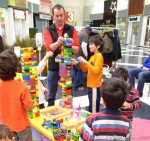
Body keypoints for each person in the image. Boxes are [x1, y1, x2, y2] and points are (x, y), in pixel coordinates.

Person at [44, 4, 79, 106]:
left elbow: (76, 49)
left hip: (67, 68)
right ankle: (50, 114)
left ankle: (68, 112)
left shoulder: (72, 29)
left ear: (64, 15)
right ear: (53, 16)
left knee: (68, 93)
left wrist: (69, 44)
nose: (59, 18)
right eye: (57, 15)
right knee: (51, 95)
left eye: (61, 15)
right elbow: (49, 47)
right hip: (53, 67)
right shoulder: (48, 30)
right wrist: (58, 42)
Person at [0, 50, 33, 141]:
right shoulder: (21, 86)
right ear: (16, 68)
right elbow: (29, 106)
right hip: (23, 127)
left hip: (7, 128)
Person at [112, 67, 141, 139]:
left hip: (127, 120)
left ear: (127, 79)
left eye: (121, 83)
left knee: (127, 136)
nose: (119, 85)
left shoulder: (133, 91)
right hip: (116, 118)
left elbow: (138, 105)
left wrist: (130, 105)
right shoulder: (116, 89)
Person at [78, 35, 104, 113]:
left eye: (91, 44)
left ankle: (93, 122)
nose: (89, 46)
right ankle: (92, 121)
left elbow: (96, 70)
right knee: (92, 105)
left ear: (98, 45)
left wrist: (85, 61)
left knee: (93, 108)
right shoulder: (93, 57)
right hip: (91, 86)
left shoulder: (99, 56)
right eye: (89, 44)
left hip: (95, 86)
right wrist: (81, 63)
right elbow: (86, 69)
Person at [73, 26, 92, 91]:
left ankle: (75, 83)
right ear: (88, 31)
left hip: (73, 55)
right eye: (90, 32)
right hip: (79, 55)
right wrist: (86, 54)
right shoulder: (85, 35)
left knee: (75, 70)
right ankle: (77, 86)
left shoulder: (77, 33)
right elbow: (84, 45)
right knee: (80, 71)